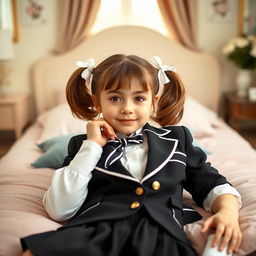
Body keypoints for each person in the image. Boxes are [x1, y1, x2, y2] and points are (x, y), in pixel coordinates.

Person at [21, 54, 242, 256]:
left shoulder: (178, 139)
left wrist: (228, 213)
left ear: (153, 102)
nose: (127, 108)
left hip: (159, 233)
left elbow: (213, 184)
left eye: (139, 99)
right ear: (97, 101)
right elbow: (59, 210)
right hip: (94, 231)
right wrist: (92, 147)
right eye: (115, 98)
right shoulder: (81, 145)